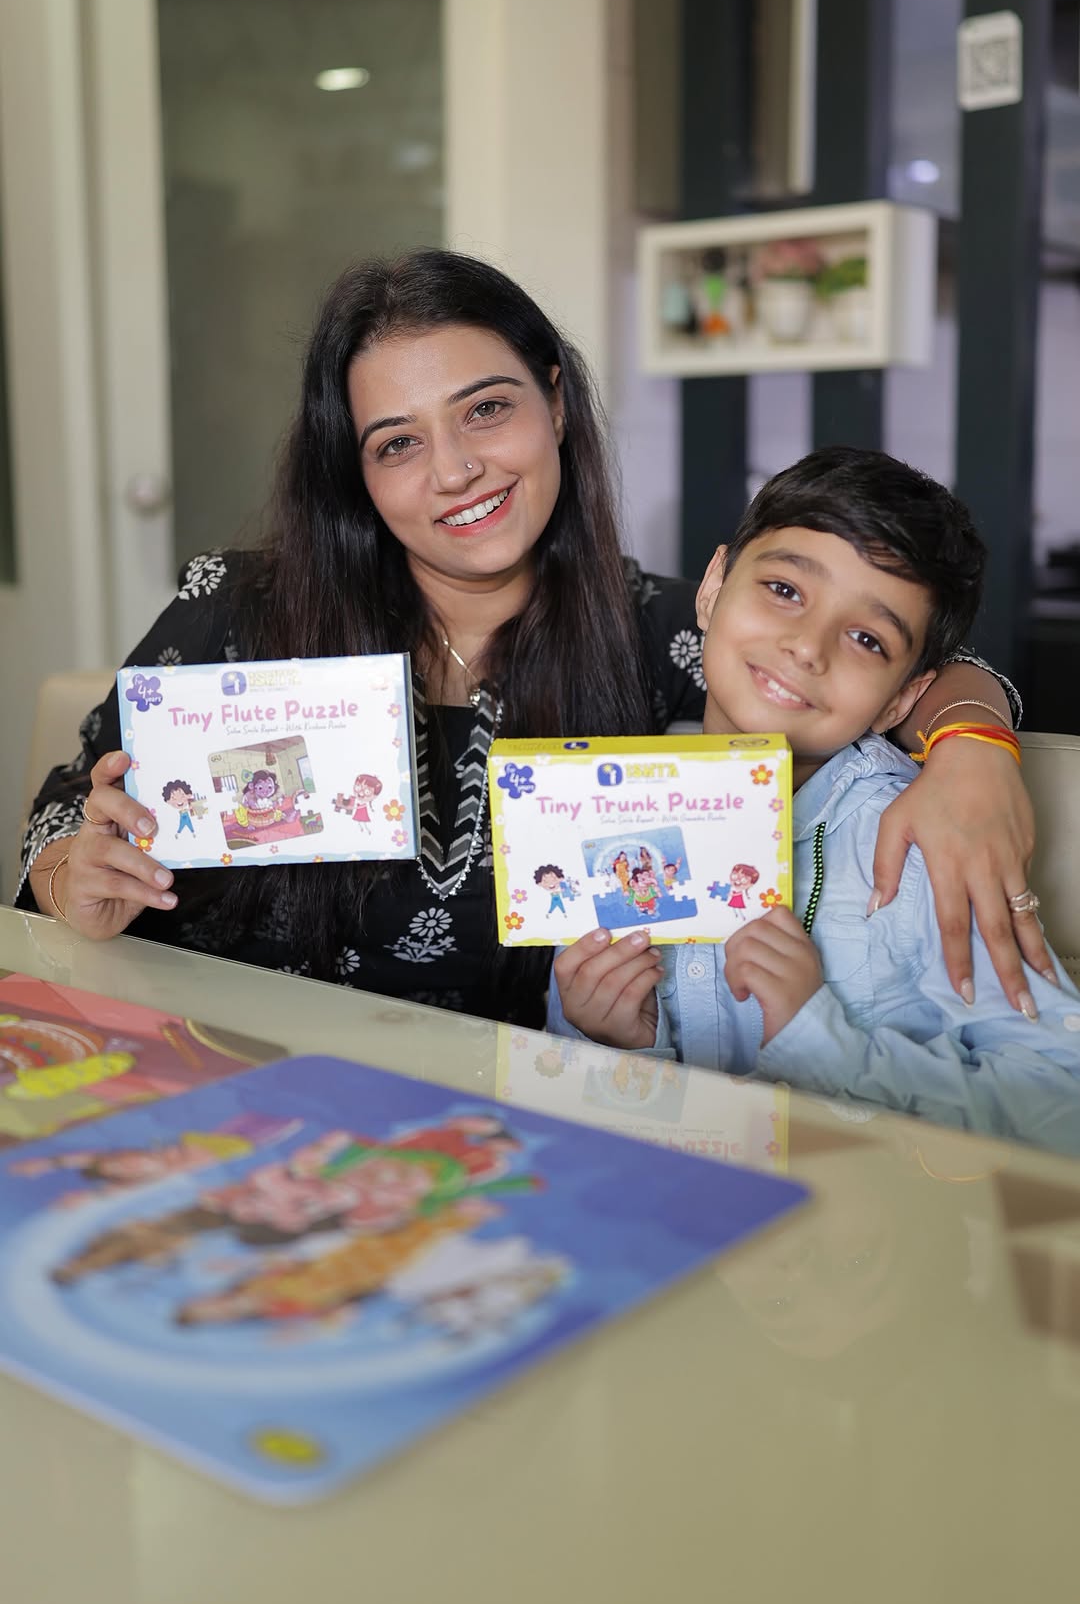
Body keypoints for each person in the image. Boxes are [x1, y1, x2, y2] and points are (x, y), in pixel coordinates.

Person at [15, 252, 1046, 1028]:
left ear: (554, 402)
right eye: (398, 443)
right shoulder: (246, 605)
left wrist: (976, 751)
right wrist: (74, 872)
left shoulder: (656, 633)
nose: (454, 470)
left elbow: (903, 657)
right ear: (358, 477)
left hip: (497, 1120)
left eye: (486, 410)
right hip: (209, 1057)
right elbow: (74, 791)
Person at [549, 448, 1080, 1150]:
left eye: (866, 638)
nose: (807, 647)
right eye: (784, 589)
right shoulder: (612, 809)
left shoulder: (924, 843)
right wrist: (617, 1044)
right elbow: (573, 1106)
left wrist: (819, 1041)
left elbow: (1063, 1100)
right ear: (711, 589)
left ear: (902, 698)